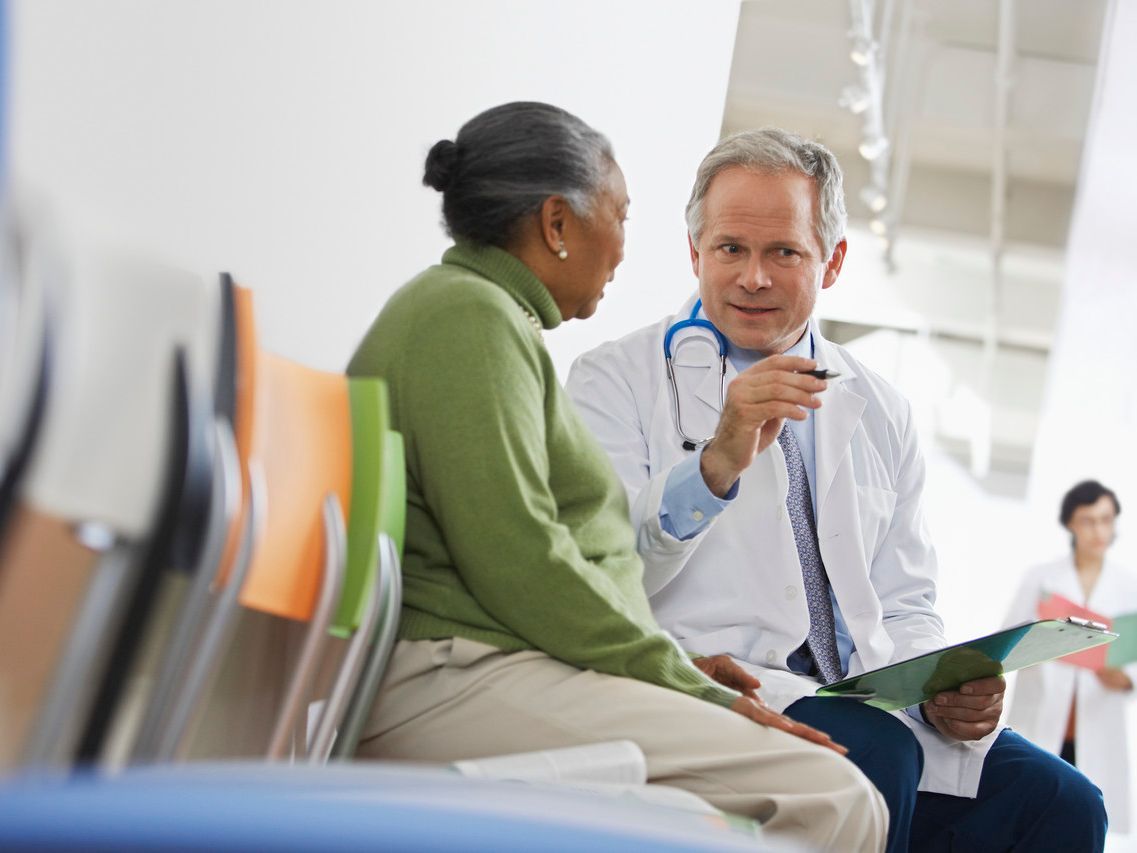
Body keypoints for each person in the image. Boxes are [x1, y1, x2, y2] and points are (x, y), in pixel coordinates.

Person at [346, 103, 887, 850]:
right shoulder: (468, 319)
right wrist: (673, 674)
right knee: (832, 794)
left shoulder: (488, 318)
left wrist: (672, 663)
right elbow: (523, 560)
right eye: (620, 217)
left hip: (498, 658)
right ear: (557, 224)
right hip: (452, 674)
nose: (625, 251)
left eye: (784, 253)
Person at [565, 127, 1107, 852]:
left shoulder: (880, 406)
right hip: (719, 688)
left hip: (871, 699)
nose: (752, 277)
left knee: (1063, 801)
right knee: (873, 753)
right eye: (729, 249)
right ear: (695, 253)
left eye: (783, 253)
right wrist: (714, 464)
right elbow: (599, 578)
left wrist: (944, 688)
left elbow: (906, 600)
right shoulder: (615, 380)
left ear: (834, 259)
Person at [1005, 480, 1137, 832]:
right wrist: (1047, 645)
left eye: (1106, 520)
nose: (1099, 531)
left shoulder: (1129, 586)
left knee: (1082, 825)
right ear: (1070, 524)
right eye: (1088, 521)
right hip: (1041, 720)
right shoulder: (1042, 578)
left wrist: (1125, 679)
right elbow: (1008, 641)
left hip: (1095, 724)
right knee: (1029, 818)